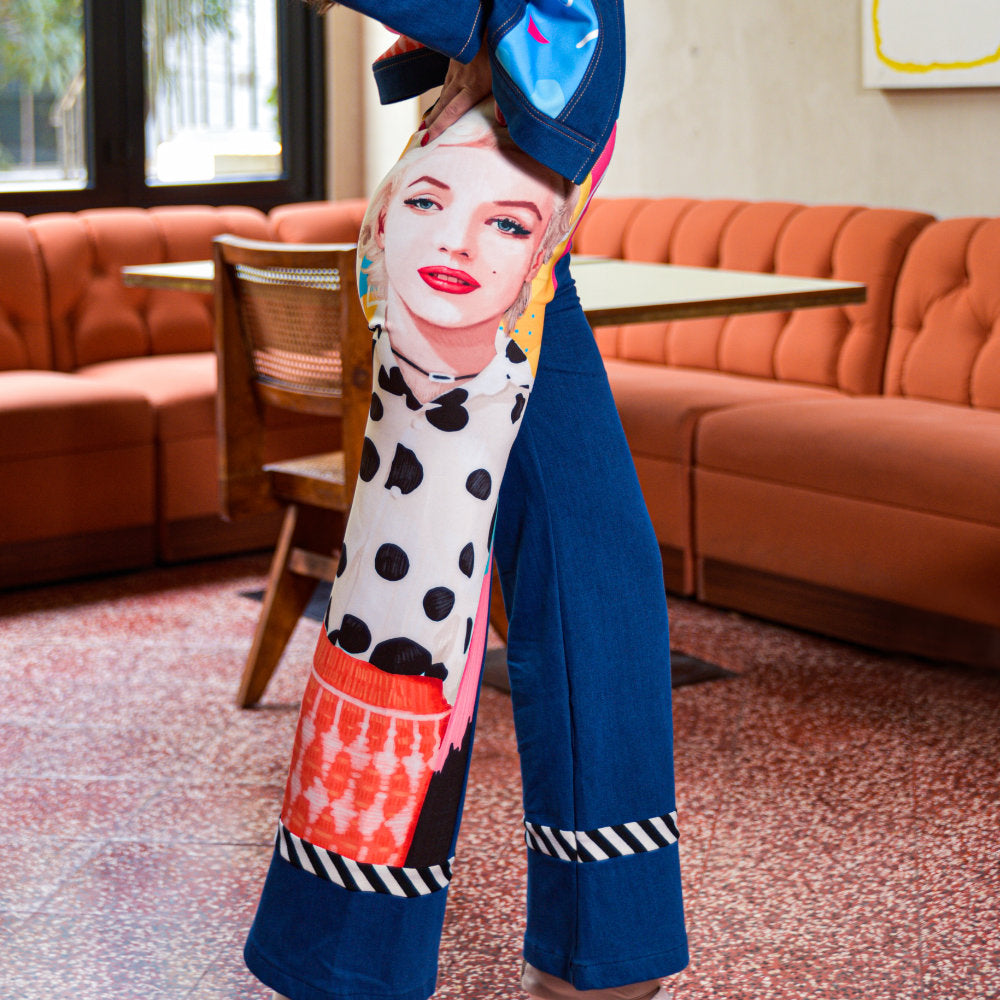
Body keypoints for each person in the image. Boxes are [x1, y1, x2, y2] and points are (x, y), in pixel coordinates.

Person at [243, 4, 689, 1000]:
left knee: (593, 566)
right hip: (495, 164)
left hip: (513, 154)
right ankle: (348, 957)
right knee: (411, 595)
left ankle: (600, 941)